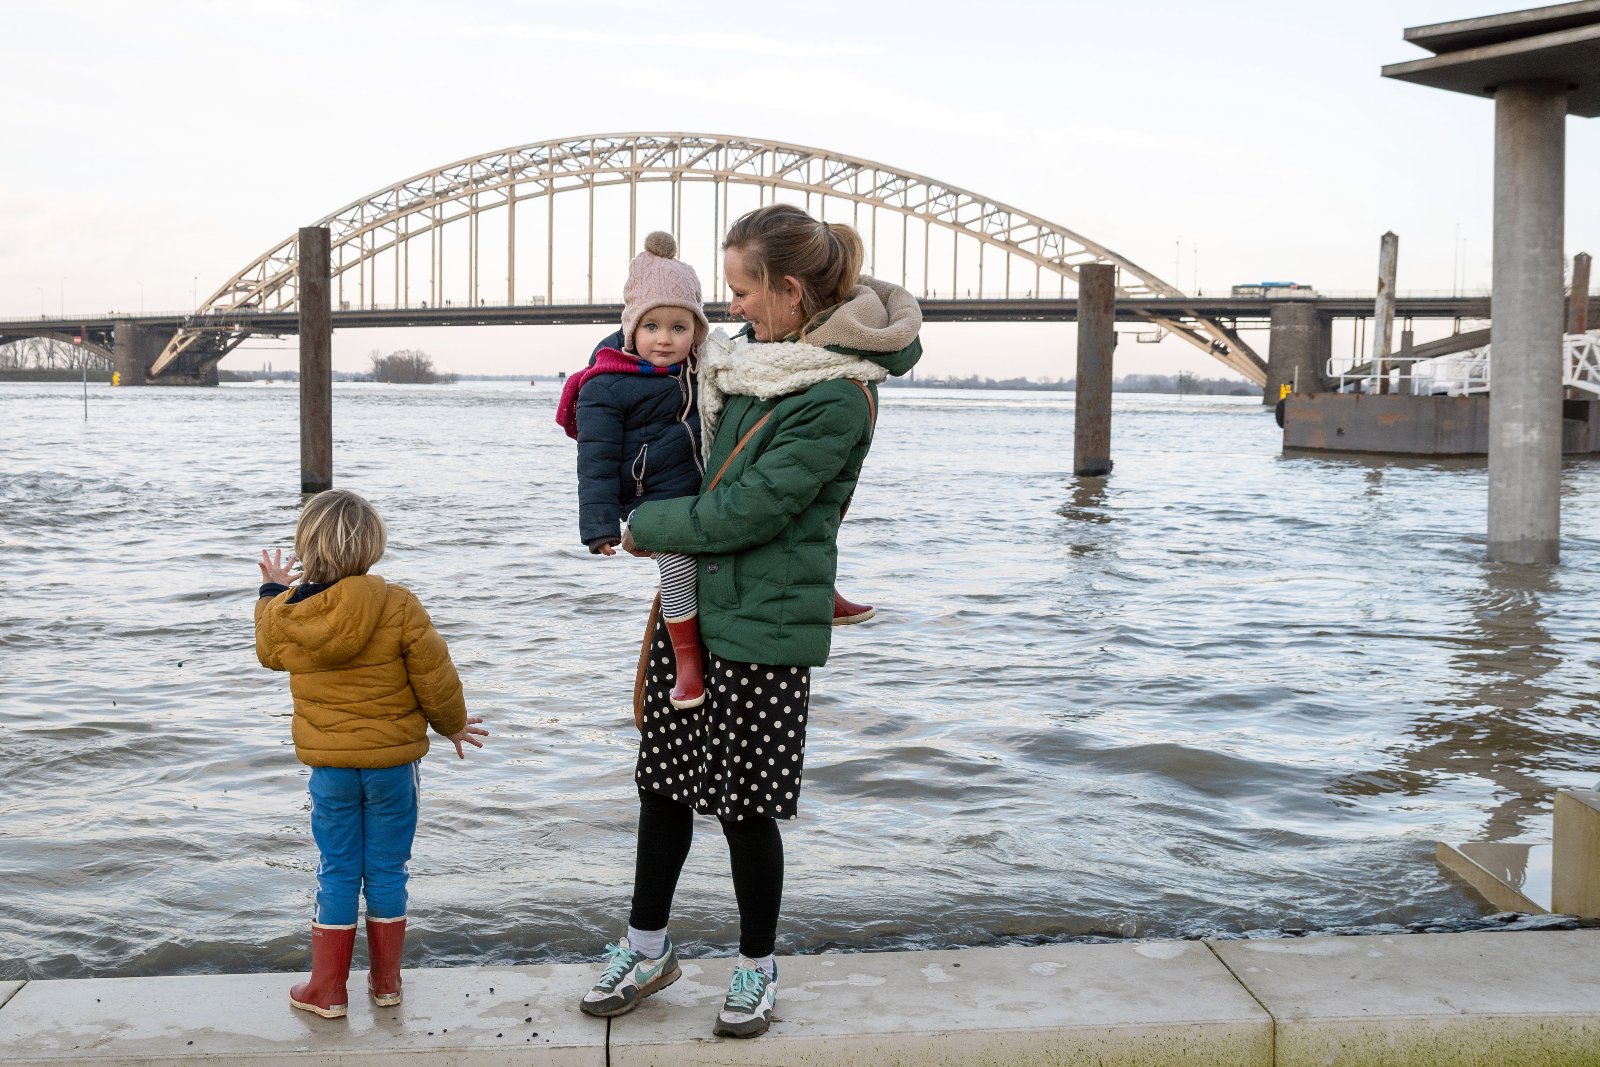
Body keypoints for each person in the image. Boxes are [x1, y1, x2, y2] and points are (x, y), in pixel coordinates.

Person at [578, 204, 922, 1039]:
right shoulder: (751, 363)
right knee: (660, 788)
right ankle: (647, 946)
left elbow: (744, 513)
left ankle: (756, 967)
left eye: (741, 290)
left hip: (764, 625)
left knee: (746, 807)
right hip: (695, 614)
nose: (731, 308)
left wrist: (641, 528)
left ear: (790, 288)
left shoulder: (833, 397)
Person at [254, 489, 488, 1018]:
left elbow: (268, 652)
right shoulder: (397, 602)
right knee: (386, 869)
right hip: (392, 767)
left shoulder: (289, 612)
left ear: (306, 545)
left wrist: (271, 588)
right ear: (373, 545)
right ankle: (386, 985)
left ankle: (327, 991)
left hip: (331, 769)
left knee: (337, 869)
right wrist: (451, 726)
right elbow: (434, 675)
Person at [556, 231, 712, 709]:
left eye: (680, 328)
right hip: (652, 496)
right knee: (679, 565)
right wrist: (599, 526)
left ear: (697, 332)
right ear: (632, 329)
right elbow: (596, 462)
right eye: (652, 327)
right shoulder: (607, 383)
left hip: (701, 486)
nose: (665, 339)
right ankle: (688, 662)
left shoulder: (701, 370)